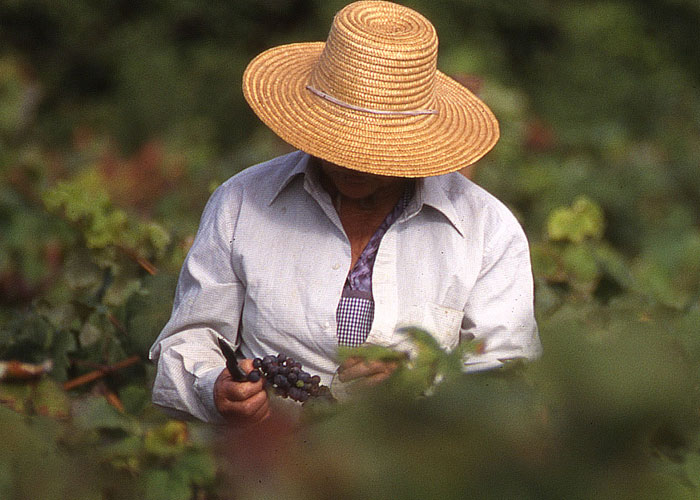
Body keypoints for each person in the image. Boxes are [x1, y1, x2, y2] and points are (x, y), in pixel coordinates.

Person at [149, 0, 541, 425]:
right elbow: (189, 341)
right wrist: (215, 388)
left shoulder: (486, 229)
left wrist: (418, 388)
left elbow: (507, 378)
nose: (351, 163)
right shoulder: (242, 203)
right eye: (337, 142)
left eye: (373, 150)